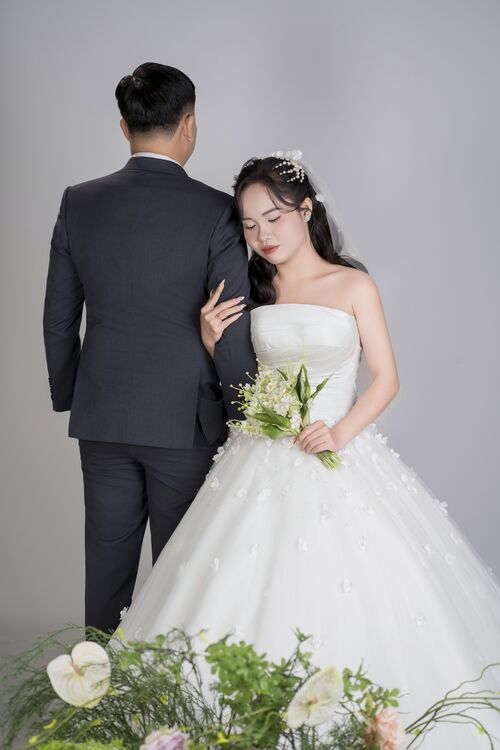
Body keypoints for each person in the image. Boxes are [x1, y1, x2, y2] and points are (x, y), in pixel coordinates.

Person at [117, 153, 500, 747]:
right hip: (259, 453)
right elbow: (245, 391)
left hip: (337, 451)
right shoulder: (254, 288)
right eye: (250, 225)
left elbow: (387, 379)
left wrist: (339, 433)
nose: (262, 235)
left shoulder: (353, 284)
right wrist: (214, 343)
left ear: (306, 210)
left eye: (273, 218)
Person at [42, 62, 256, 635]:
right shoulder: (217, 211)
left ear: (124, 127)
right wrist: (243, 415)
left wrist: (72, 394)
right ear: (189, 124)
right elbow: (230, 325)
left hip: (103, 414)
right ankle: (170, 690)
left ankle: (97, 684)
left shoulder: (79, 202)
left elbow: (58, 321)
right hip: (187, 421)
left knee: (105, 573)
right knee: (180, 578)